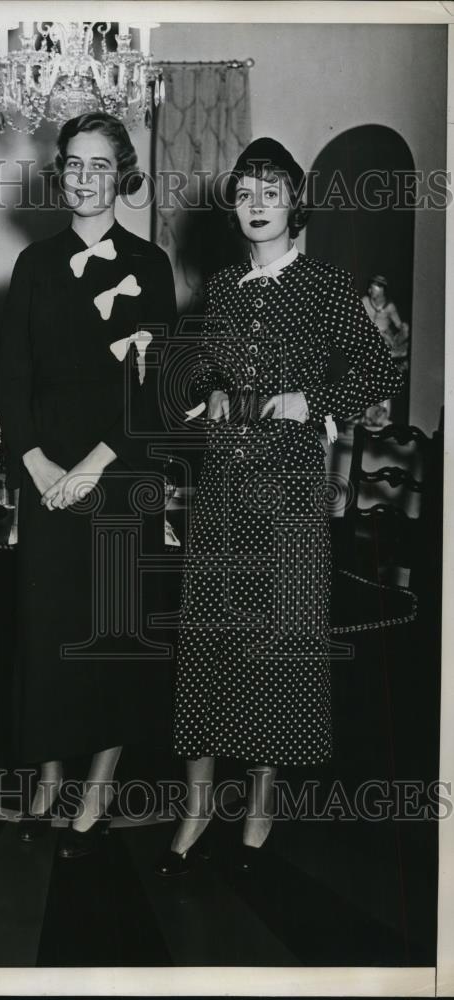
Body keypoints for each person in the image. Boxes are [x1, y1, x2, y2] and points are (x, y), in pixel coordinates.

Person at [156, 138, 404, 876]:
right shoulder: (222, 286)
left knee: (278, 650)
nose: (256, 204)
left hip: (291, 491)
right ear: (232, 206)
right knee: (207, 644)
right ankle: (197, 807)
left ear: (294, 203)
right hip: (221, 489)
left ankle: (260, 809)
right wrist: (207, 389)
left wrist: (312, 402)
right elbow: (193, 362)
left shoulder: (327, 283)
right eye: (244, 192)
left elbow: (376, 367)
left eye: (271, 191)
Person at [0, 112, 177, 859]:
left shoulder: (153, 264)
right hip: (44, 475)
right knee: (45, 630)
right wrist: (37, 464)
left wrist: (92, 466)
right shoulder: (34, 264)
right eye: (72, 162)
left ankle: (97, 787)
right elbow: (10, 375)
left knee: (108, 632)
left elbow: (156, 393)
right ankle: (47, 775)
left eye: (98, 165)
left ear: (121, 174)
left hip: (116, 473)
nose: (82, 177)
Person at [360, 274, 410, 427]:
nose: (370, 291)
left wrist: (402, 330)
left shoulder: (389, 307)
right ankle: (367, 416)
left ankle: (381, 417)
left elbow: (398, 325)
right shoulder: (365, 302)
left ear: (382, 290)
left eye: (374, 287)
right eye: (370, 287)